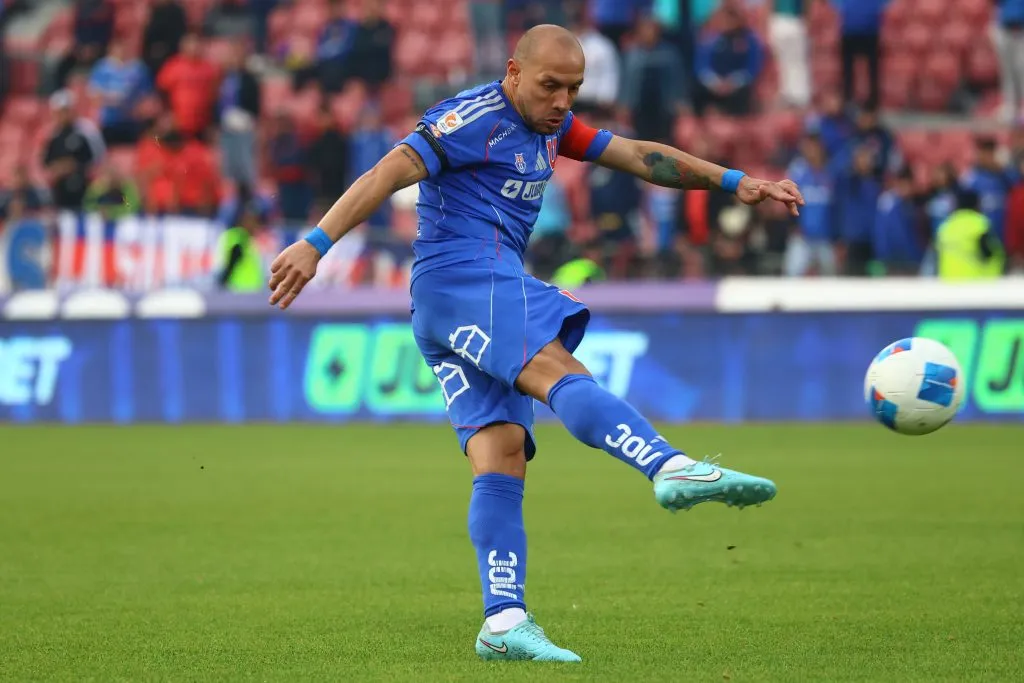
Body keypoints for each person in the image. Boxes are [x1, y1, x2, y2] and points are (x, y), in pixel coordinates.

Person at [267, 25, 802, 663]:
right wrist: (316, 244)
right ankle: (668, 466)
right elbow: (387, 172)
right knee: (557, 369)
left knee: (502, 453)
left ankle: (503, 621)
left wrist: (733, 180)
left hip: (447, 300)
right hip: (467, 279)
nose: (563, 102)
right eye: (550, 85)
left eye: (573, 89)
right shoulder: (470, 118)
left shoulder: (554, 127)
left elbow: (637, 156)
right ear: (514, 72)